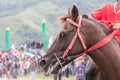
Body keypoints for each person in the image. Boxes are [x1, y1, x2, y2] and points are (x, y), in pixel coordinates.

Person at [84, 0, 120, 80]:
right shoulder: (106, 8)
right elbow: (92, 19)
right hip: (104, 47)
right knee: (88, 73)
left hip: (119, 45)